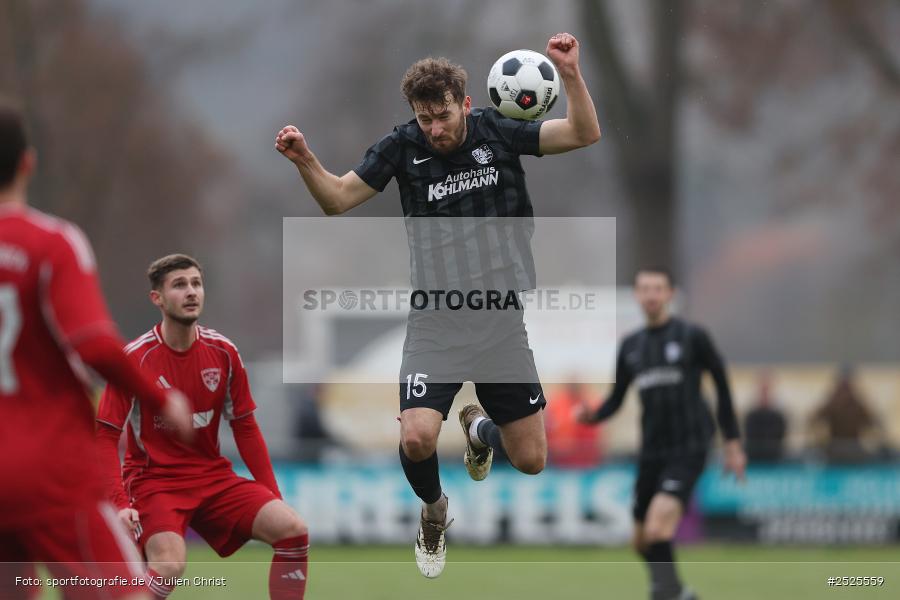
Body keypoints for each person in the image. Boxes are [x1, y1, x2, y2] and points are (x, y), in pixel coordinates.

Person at [275, 33, 600, 577]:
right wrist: (305, 159)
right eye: (425, 119)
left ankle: (478, 431)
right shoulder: (401, 147)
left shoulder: (498, 131)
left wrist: (568, 73)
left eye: (443, 116)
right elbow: (336, 199)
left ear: (466, 103)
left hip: (501, 321)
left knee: (531, 460)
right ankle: (433, 510)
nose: (435, 128)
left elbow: (584, 133)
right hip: (437, 319)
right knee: (417, 434)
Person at [0, 98, 192, 600]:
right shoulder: (52, 243)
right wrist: (160, 398)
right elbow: (92, 344)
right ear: (27, 162)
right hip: (48, 467)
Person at [95, 254, 309, 599]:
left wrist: (272, 494)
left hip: (212, 477)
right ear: (158, 299)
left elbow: (246, 427)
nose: (191, 292)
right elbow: (104, 437)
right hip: (154, 482)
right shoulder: (135, 359)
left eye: (196, 283)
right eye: (179, 285)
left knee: (293, 529)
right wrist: (120, 503)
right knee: (169, 565)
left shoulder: (224, 352)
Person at [577, 267, 746, 600]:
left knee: (657, 528)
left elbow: (723, 386)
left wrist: (732, 441)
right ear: (637, 295)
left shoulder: (693, 336)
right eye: (644, 289)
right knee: (641, 541)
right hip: (652, 451)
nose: (651, 295)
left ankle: (664, 593)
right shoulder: (630, 346)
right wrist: (592, 415)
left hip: (690, 446)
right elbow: (617, 398)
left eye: (658, 288)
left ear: (670, 294)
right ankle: (679, 593)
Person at [809, 365, 885, 464]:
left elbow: (874, 423)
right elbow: (813, 421)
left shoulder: (857, 404)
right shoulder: (833, 403)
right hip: (836, 447)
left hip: (852, 447)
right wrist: (820, 441)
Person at [545, 381, 604, 467]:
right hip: (559, 461)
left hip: (586, 461)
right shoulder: (556, 404)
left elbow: (596, 434)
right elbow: (549, 429)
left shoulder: (591, 404)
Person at [743, 370, 787, 463]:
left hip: (775, 461)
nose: (765, 393)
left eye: (767, 389)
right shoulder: (751, 416)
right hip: (755, 461)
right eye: (763, 389)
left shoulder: (779, 417)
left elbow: (780, 440)